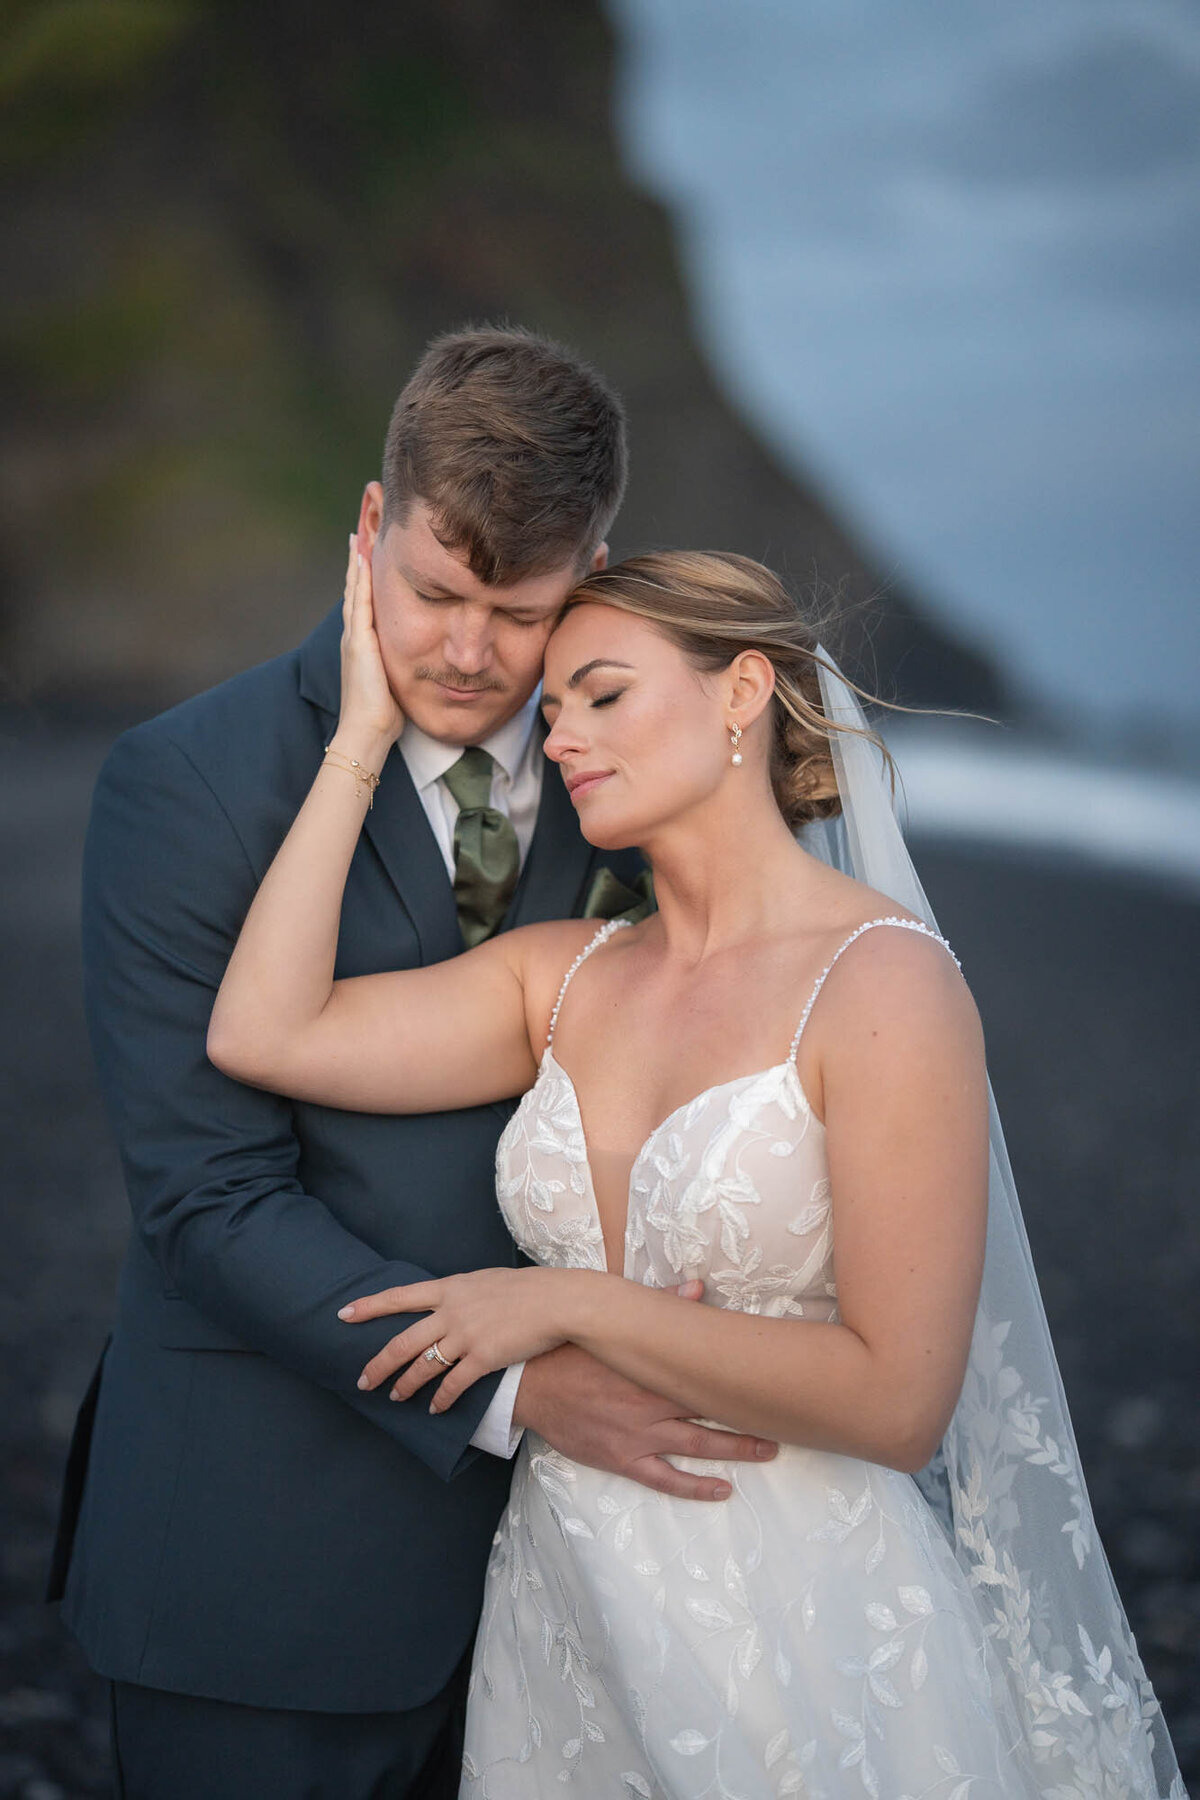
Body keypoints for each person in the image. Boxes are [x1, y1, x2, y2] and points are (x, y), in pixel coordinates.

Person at [210, 544, 1183, 1797]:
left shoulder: (883, 983)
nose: (560, 737)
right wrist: (361, 738)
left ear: (743, 693)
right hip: (568, 1624)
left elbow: (899, 1403)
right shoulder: (562, 975)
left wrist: (566, 1302)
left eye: (604, 695)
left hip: (810, 1631)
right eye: (551, 709)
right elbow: (263, 1030)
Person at [48, 327, 780, 1800]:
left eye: (520, 613)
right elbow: (208, 1201)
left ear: (591, 570)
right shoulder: (187, 786)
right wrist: (520, 1391)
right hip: (262, 1568)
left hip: (590, 1586)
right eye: (436, 592)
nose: (466, 651)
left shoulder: (641, 785)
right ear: (373, 523)